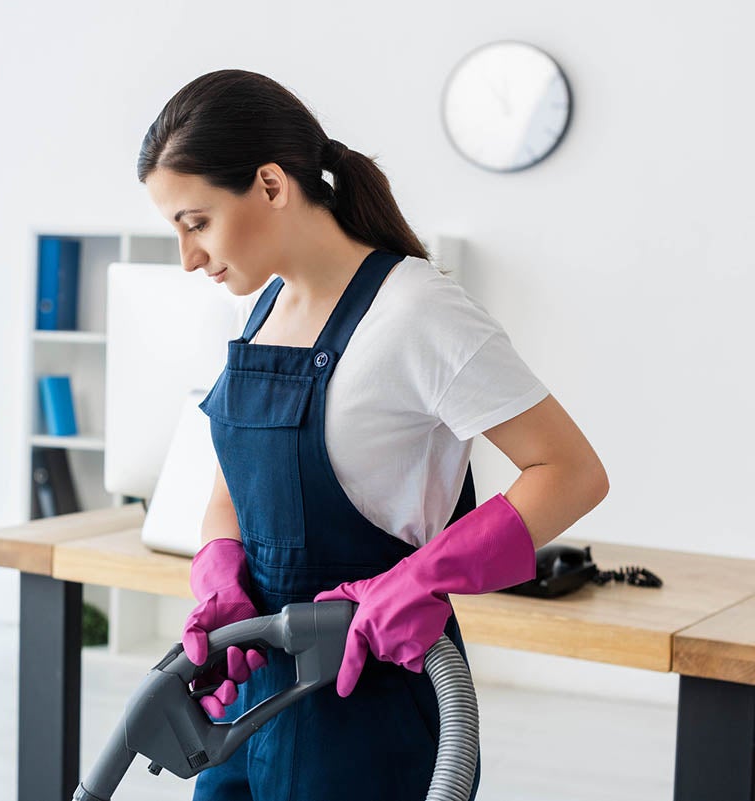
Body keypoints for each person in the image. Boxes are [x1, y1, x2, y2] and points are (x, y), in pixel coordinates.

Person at [139, 70, 609, 800]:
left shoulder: (419, 310)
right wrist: (220, 579)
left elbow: (570, 470)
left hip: (370, 699)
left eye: (195, 222)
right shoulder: (260, 310)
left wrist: (422, 579)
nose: (188, 257)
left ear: (269, 184)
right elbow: (230, 491)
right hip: (251, 700)